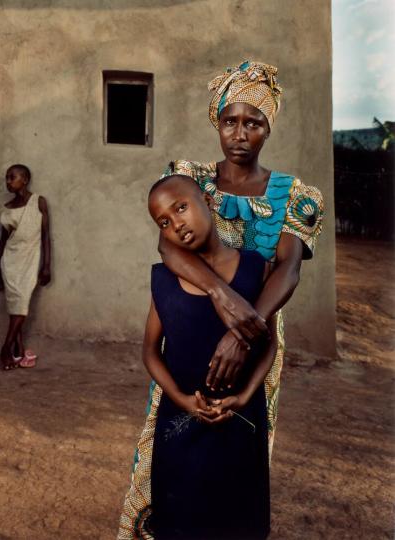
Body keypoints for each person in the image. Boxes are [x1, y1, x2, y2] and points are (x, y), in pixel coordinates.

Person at [118, 61, 324, 538]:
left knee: (238, 451)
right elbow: (167, 246)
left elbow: (288, 269)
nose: (239, 133)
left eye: (253, 122)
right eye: (230, 120)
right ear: (217, 121)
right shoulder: (190, 179)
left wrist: (242, 328)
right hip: (190, 330)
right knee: (172, 451)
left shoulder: (297, 195)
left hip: (255, 338)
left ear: (269, 126)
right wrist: (221, 294)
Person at [139, 174, 275, 539]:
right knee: (181, 520)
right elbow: (150, 351)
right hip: (180, 422)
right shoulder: (163, 280)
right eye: (163, 222)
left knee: (238, 519)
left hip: (241, 419)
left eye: (181, 208)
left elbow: (270, 343)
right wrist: (181, 399)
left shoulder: (254, 267)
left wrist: (245, 397)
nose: (176, 224)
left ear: (208, 201)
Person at [0, 164, 51, 371]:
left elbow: (45, 236)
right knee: (15, 305)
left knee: (21, 303)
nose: (8, 181)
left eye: (12, 177)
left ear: (24, 179)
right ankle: (18, 348)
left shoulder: (38, 202)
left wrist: (46, 265)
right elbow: (3, 240)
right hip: (10, 262)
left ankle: (6, 348)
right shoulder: (6, 209)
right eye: (7, 178)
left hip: (30, 260)